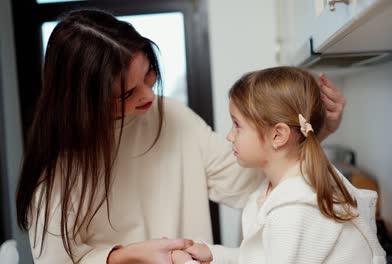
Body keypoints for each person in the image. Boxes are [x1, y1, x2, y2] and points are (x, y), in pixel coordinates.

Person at [15, 9, 346, 264]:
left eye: (150, 75)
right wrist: (125, 255)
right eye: (128, 93)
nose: (148, 96)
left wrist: (310, 133)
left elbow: (246, 181)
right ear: (85, 100)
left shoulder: (170, 115)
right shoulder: (58, 163)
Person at [171, 67, 386, 264]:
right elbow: (261, 257)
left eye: (237, 125)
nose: (230, 136)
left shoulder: (294, 210)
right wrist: (215, 255)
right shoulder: (280, 188)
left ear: (278, 134)